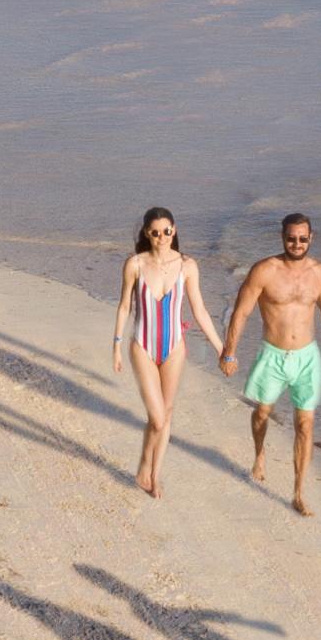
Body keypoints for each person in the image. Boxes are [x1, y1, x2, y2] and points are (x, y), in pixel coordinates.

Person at [221, 212, 321, 512]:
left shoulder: (320, 273)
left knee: (305, 425)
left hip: (307, 358)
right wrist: (229, 351)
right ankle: (259, 454)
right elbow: (241, 313)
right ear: (282, 237)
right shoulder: (264, 271)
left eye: (303, 238)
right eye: (291, 238)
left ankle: (298, 492)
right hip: (272, 355)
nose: (297, 243)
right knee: (261, 414)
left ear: (311, 238)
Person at [112, 207, 209, 499]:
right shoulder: (135, 265)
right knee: (156, 417)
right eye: (155, 232)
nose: (162, 237)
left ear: (174, 230)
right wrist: (115, 346)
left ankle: (154, 474)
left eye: (167, 231)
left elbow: (200, 310)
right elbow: (125, 307)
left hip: (174, 347)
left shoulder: (187, 266)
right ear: (146, 234)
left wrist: (222, 348)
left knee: (166, 414)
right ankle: (144, 463)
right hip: (142, 345)